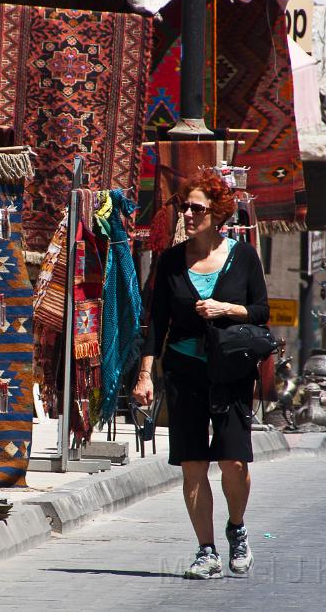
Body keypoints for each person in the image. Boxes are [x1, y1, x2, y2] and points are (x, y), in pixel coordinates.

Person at [133, 169, 269, 579]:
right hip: (184, 371)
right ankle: (206, 550)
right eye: (183, 207)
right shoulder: (172, 260)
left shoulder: (243, 257)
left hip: (230, 373)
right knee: (193, 464)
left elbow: (261, 313)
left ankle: (237, 528)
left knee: (233, 462)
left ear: (218, 214)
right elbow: (155, 322)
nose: (187, 215)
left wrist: (224, 309)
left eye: (196, 208)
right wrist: (145, 374)